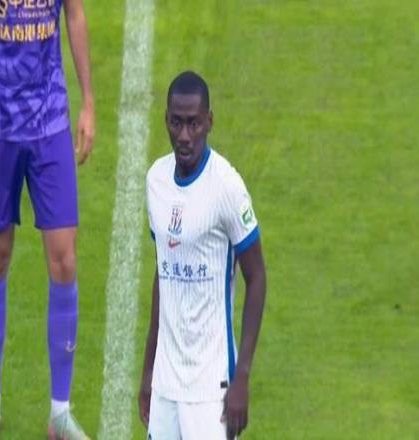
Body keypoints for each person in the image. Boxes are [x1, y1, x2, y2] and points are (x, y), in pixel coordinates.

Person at [0, 0, 94, 438]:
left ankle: (60, 413)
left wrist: (88, 101)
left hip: (50, 123)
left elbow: (75, 13)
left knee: (64, 260)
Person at [139, 71, 267, 440]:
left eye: (193, 123)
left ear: (209, 121)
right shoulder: (156, 181)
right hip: (166, 383)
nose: (184, 135)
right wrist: (148, 372)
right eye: (177, 122)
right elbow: (164, 272)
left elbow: (257, 277)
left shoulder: (226, 187)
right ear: (166, 120)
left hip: (212, 388)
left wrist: (242, 378)